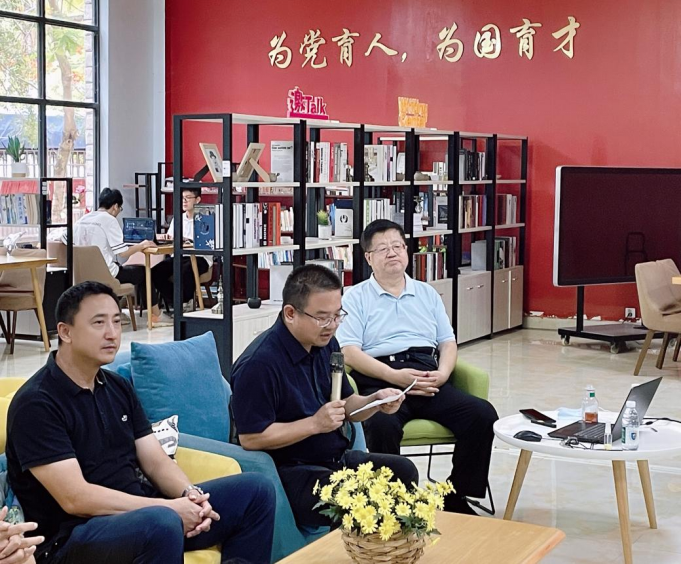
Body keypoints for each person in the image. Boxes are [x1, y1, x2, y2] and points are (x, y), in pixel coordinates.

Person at [6, 282, 275, 564]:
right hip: (72, 538)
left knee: (255, 491)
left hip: (143, 516)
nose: (112, 333)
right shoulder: (37, 403)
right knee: (161, 523)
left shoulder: (117, 387)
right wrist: (169, 509)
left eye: (116, 321)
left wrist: (191, 496)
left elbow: (156, 462)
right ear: (65, 332)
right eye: (98, 323)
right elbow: (75, 498)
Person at [231, 264, 419, 529]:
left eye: (337, 315)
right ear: (290, 313)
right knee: (361, 499)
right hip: (292, 471)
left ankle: (390, 549)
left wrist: (375, 402)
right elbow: (251, 438)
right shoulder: (259, 364)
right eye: (322, 318)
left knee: (404, 472)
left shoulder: (325, 343)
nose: (332, 326)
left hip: (335, 460)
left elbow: (346, 406)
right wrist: (314, 424)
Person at [336, 219, 499, 515]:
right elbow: (349, 352)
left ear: (407, 251)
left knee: (482, 414)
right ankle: (391, 502)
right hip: (380, 378)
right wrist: (394, 376)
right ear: (368, 257)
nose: (392, 253)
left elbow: (447, 342)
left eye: (397, 246)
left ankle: (456, 495)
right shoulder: (355, 297)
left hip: (427, 377)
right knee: (381, 424)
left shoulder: (427, 293)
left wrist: (443, 374)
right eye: (382, 249)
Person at [67, 187, 171, 326]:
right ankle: (156, 316)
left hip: (82, 275)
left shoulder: (83, 219)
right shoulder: (109, 220)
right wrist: (142, 245)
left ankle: (115, 313)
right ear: (115, 206)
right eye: (120, 209)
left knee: (121, 268)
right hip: (106, 274)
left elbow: (64, 240)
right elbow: (122, 253)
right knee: (144, 272)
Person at [152, 188, 212, 309]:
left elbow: (208, 242)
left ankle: (185, 301)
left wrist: (187, 240)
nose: (184, 201)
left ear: (198, 200)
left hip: (200, 257)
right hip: (179, 256)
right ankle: (176, 301)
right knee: (156, 272)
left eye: (188, 198)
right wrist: (167, 238)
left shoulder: (206, 219)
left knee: (186, 270)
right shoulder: (178, 219)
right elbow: (171, 239)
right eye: (182, 198)